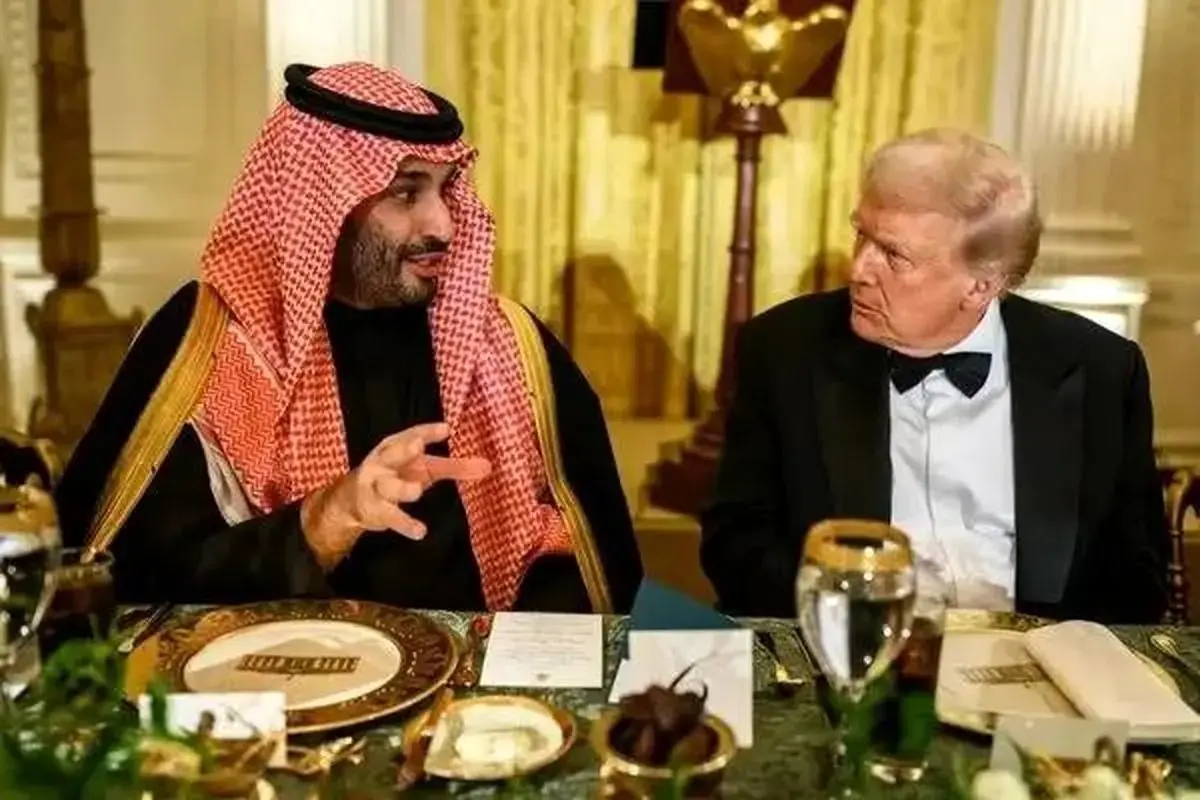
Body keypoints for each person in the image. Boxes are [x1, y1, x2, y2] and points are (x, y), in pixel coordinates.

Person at [55, 62, 643, 614]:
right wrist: (324, 519)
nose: (442, 224)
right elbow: (136, 578)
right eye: (406, 192)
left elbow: (596, 561)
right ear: (322, 201)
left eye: (446, 189)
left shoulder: (510, 346)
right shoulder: (208, 346)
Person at [701, 128, 1167, 624]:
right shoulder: (784, 349)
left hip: (1037, 653)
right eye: (862, 235)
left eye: (894, 255)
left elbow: (1136, 576)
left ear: (980, 285)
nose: (859, 269)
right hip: (854, 645)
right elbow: (736, 547)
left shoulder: (1100, 370)